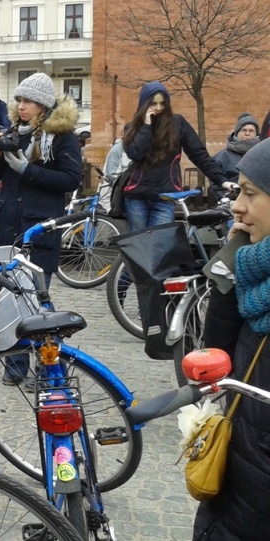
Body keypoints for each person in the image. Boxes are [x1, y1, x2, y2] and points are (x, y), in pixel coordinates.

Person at [195, 137, 270, 540]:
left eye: (250, 193)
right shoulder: (255, 270)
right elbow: (216, 354)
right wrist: (233, 257)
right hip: (240, 470)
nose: (237, 205)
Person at [0, 73, 81, 387]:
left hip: (39, 229)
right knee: (9, 303)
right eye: (19, 100)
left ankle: (47, 370)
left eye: (27, 101)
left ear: (42, 105)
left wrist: (28, 169)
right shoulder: (15, 132)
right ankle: (15, 367)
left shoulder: (62, 135)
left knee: (39, 308)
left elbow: (70, 179)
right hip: (8, 227)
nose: (21, 106)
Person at [121, 81, 230, 231]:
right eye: (153, 103)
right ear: (144, 104)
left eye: (162, 103)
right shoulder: (133, 127)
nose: (159, 108)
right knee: (138, 246)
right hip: (137, 197)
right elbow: (135, 153)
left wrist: (222, 180)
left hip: (166, 196)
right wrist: (146, 126)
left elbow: (199, 154)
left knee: (162, 246)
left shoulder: (177, 123)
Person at [211, 112, 259, 204]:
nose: (247, 133)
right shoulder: (221, 157)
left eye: (251, 130)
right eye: (244, 130)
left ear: (256, 134)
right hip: (233, 203)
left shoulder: (263, 153)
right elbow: (216, 183)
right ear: (236, 133)